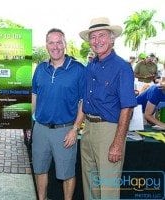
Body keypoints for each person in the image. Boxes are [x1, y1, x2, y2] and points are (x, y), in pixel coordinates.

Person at [79, 17, 137, 199]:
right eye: (93, 37)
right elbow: (84, 100)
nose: (97, 41)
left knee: (108, 189)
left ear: (112, 39)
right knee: (90, 185)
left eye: (102, 35)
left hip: (109, 131)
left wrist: (118, 143)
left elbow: (127, 108)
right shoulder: (90, 66)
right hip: (88, 129)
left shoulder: (122, 67)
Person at [32, 28, 85, 200]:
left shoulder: (78, 70)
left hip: (65, 131)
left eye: (59, 42)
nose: (55, 46)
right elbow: (34, 96)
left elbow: (83, 102)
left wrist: (75, 129)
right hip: (40, 129)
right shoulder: (40, 69)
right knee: (40, 169)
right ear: (46, 45)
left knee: (67, 173)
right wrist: (31, 123)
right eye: (51, 42)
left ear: (65, 45)